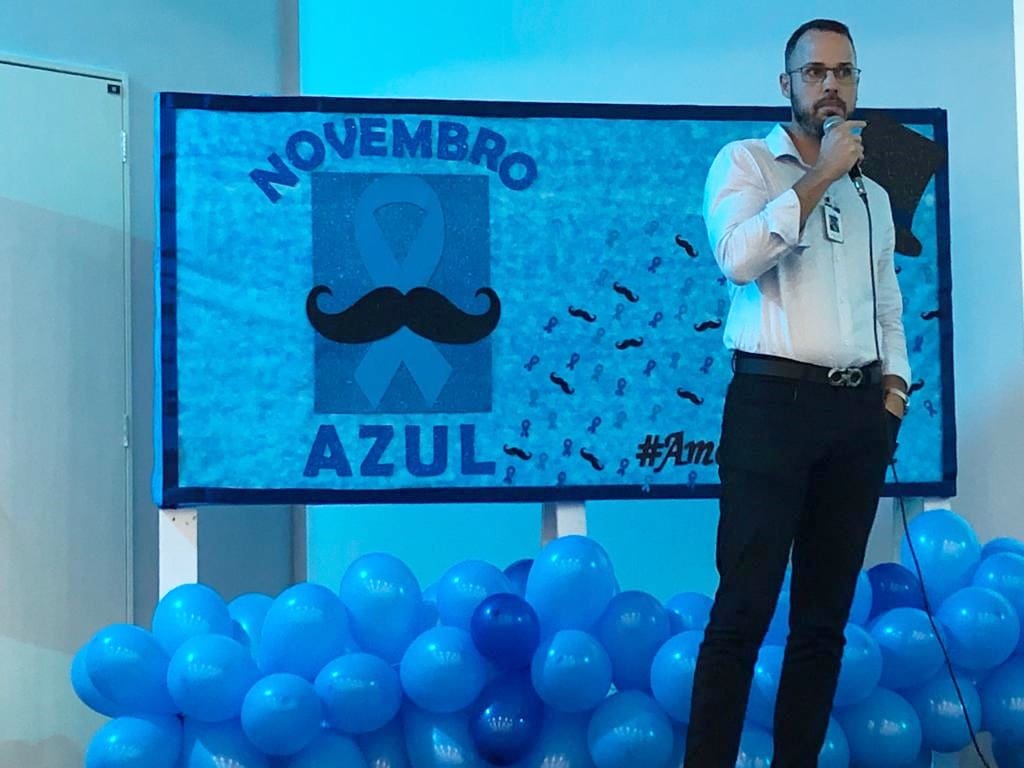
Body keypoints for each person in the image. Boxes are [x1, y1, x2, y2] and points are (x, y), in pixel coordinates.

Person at [684, 19, 910, 768]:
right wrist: (817, 178)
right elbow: (737, 258)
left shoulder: (873, 195)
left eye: (844, 72)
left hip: (857, 416)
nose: (831, 86)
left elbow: (887, 305)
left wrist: (894, 393)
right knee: (743, 612)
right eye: (815, 73)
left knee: (823, 625)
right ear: (787, 85)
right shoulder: (746, 162)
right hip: (771, 407)